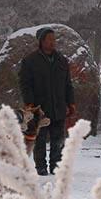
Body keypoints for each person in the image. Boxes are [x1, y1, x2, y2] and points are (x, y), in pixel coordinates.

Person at [19, 27, 76, 175]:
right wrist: (30, 104)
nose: (52, 42)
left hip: (58, 106)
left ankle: (56, 167)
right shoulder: (30, 61)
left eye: (54, 39)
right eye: (49, 39)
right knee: (40, 140)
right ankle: (41, 167)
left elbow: (68, 85)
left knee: (59, 140)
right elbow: (25, 85)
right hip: (39, 108)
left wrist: (71, 103)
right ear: (41, 41)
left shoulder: (62, 61)